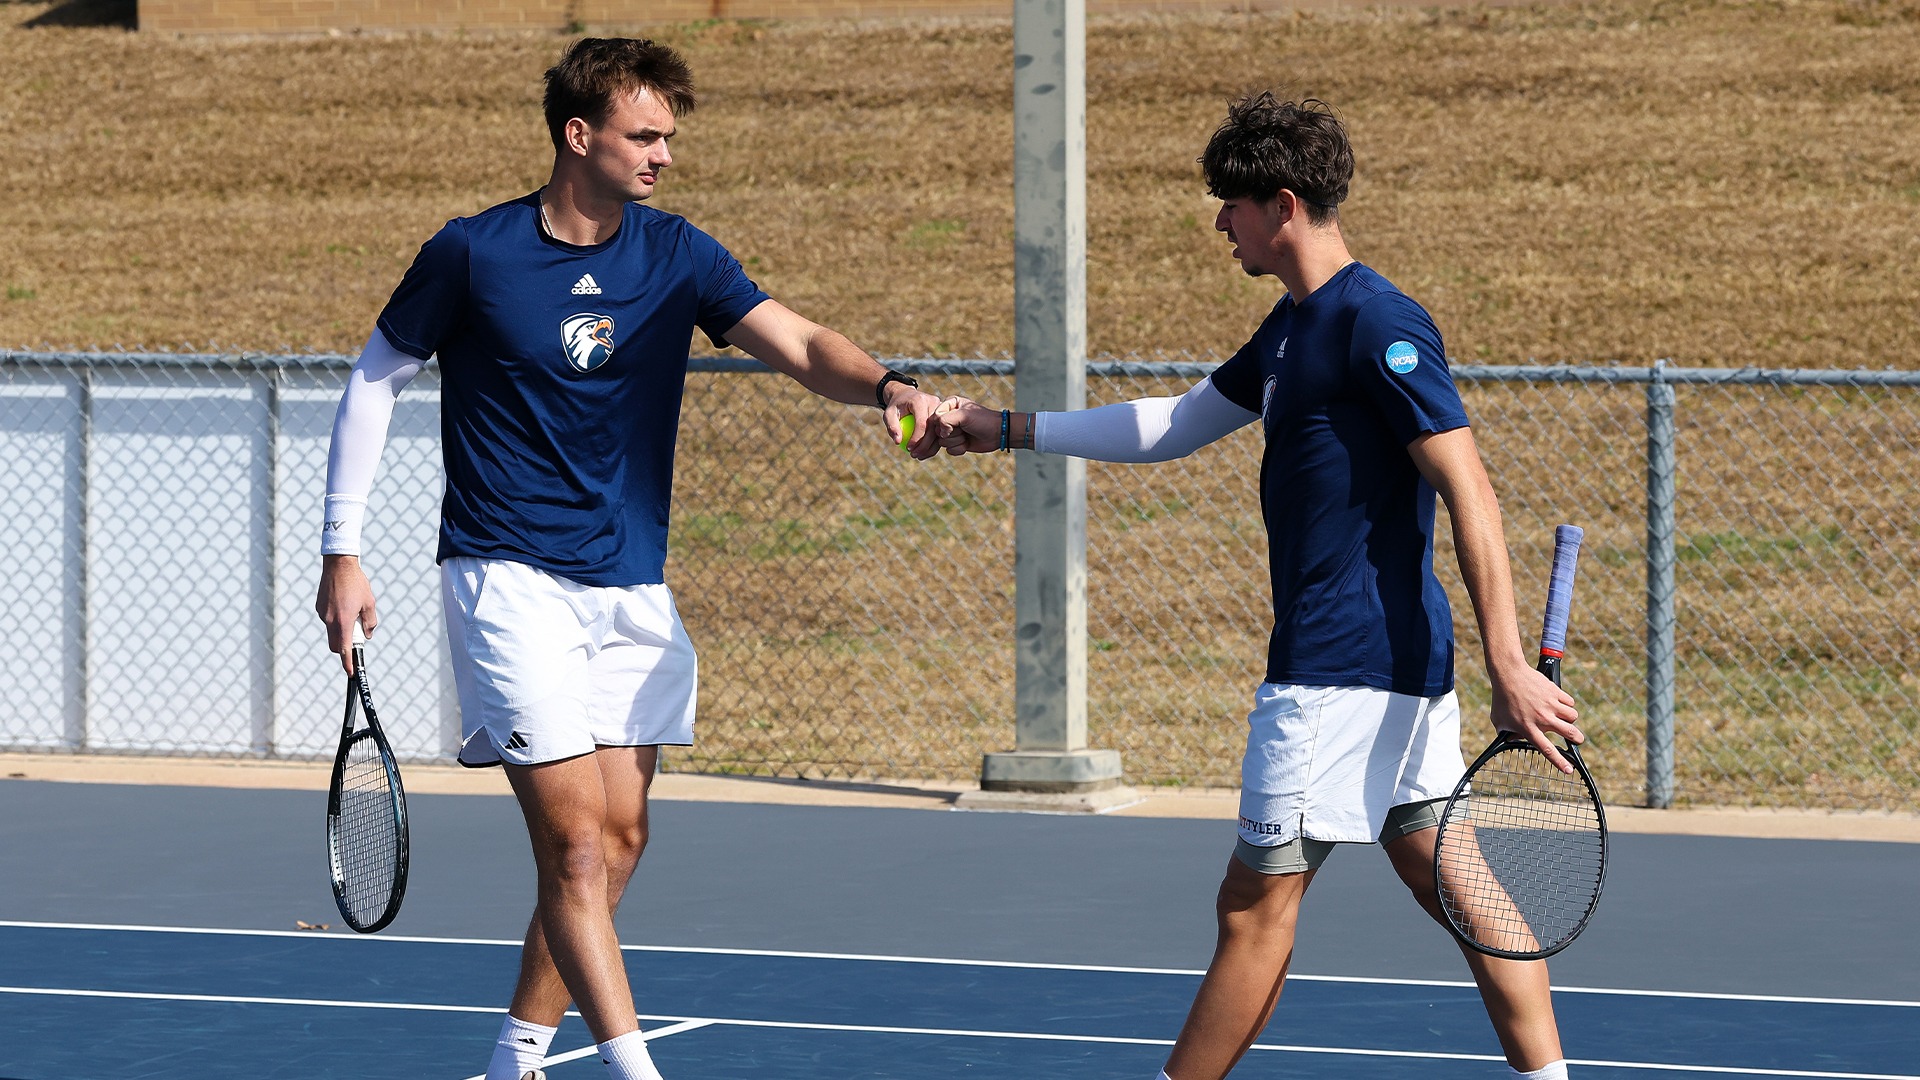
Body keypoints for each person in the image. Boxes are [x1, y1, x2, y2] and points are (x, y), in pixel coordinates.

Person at [312, 37, 944, 1080]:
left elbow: (799, 343)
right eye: (644, 135)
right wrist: (344, 550)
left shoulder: (678, 254)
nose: (663, 155)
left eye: (669, 137)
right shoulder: (473, 252)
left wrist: (888, 385)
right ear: (579, 135)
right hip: (505, 574)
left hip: (630, 584)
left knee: (617, 845)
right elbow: (376, 379)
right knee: (567, 849)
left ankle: (515, 1058)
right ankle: (633, 1069)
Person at [928, 93, 1583, 1080]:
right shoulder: (1291, 329)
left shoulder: (1377, 322)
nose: (1218, 223)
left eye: (1228, 204)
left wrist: (1507, 661)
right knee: (1460, 887)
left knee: (1254, 911)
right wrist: (1009, 428)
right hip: (1393, 673)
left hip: (1334, 675)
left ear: (1280, 204)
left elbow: (1470, 487)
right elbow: (1178, 424)